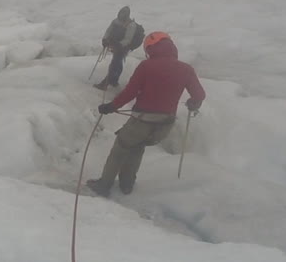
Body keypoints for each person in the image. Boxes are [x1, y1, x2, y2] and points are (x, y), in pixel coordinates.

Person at [86, 31, 205, 196]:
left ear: (151, 48)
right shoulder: (186, 69)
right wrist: (193, 103)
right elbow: (199, 95)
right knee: (137, 147)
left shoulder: (146, 66)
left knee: (120, 149)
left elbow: (130, 92)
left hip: (141, 121)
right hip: (165, 124)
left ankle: (104, 184)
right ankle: (127, 184)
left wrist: (111, 106)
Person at [95, 6, 143, 90]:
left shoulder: (131, 25)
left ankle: (105, 83)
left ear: (127, 15)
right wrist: (105, 39)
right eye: (121, 13)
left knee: (115, 63)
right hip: (116, 44)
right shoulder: (115, 21)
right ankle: (114, 80)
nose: (121, 15)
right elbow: (108, 31)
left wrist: (119, 45)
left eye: (123, 14)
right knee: (117, 62)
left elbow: (128, 39)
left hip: (123, 47)